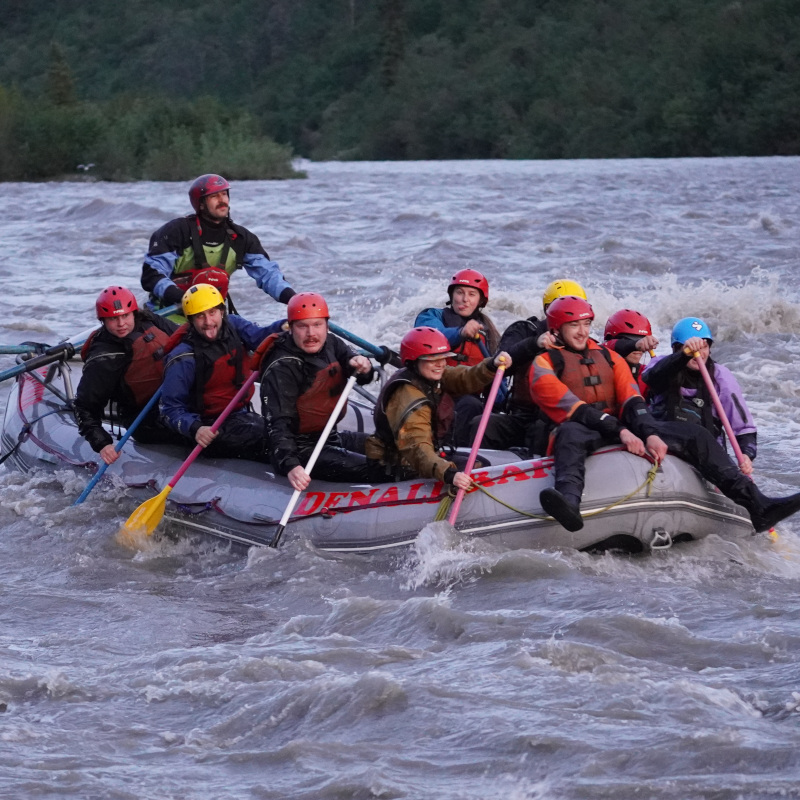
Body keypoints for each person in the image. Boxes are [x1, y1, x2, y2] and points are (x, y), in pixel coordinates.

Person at [529, 296, 800, 534]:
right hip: (581, 428)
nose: (581, 331)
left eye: (586, 324)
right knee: (569, 433)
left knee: (696, 434)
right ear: (556, 328)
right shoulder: (543, 363)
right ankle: (569, 503)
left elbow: (633, 401)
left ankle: (758, 506)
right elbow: (576, 410)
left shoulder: (609, 358)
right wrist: (621, 432)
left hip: (622, 426)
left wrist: (650, 433)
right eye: (573, 325)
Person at [259, 292, 384, 490]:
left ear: (326, 325)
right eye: (303, 326)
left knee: (387, 449)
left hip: (329, 436)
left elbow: (358, 372)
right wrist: (291, 464)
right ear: (290, 328)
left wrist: (363, 367)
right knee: (379, 468)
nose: (311, 334)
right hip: (301, 449)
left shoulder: (332, 343)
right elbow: (277, 423)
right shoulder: (282, 366)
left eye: (317, 325)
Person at [365, 326, 511, 491]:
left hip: (417, 456)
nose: (440, 364)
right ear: (414, 361)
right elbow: (416, 447)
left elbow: (463, 377)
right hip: (394, 464)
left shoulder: (428, 374)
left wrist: (491, 365)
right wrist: (448, 473)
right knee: (475, 467)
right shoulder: (408, 397)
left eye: (443, 358)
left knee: (479, 463)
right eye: (432, 359)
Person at [159, 284, 284, 460]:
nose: (208, 322)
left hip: (240, 415)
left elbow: (261, 337)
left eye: (212, 313)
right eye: (200, 316)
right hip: (209, 429)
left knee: (284, 431)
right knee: (273, 440)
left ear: (221, 312)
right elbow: (169, 410)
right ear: (191, 320)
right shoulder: (183, 358)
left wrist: (284, 326)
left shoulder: (233, 324)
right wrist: (196, 428)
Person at [141, 173, 296, 311]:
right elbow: (152, 275)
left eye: (224, 194)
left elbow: (268, 275)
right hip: (168, 313)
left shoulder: (241, 238)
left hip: (213, 318)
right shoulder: (176, 231)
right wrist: (185, 298)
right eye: (214, 196)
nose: (222, 200)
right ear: (201, 204)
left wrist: (294, 300)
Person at [475, 278, 588, 455]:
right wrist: (534, 344)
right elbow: (501, 362)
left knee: (543, 429)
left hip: (562, 419)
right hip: (523, 416)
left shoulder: (583, 340)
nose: (571, 316)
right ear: (547, 310)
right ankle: (473, 471)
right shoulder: (524, 330)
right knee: (481, 425)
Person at [74, 286, 183, 465]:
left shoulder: (150, 321)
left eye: (125, 316)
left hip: (179, 401)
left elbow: (187, 338)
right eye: (113, 319)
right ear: (103, 320)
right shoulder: (104, 357)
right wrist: (102, 444)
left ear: (133, 313)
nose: (121, 323)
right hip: (146, 419)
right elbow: (83, 407)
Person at [641, 316, 757, 474]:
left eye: (704, 347)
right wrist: (684, 356)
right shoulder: (661, 365)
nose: (699, 353)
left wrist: (746, 454)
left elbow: (743, 426)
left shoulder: (721, 377)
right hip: (664, 443)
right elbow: (651, 378)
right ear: (676, 348)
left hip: (706, 451)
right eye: (692, 348)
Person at [414, 268, 503, 445]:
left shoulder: (490, 333)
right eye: (459, 292)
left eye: (471, 294)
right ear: (451, 295)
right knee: (469, 405)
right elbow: (431, 337)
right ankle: (449, 449)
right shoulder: (431, 315)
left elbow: (498, 379)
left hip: (470, 395)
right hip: (436, 388)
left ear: (480, 301)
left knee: (474, 405)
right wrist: (461, 332)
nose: (464, 299)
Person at [603, 308, 659, 383]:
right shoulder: (599, 361)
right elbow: (607, 346)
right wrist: (635, 344)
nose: (639, 348)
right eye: (630, 340)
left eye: (643, 340)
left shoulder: (645, 372)